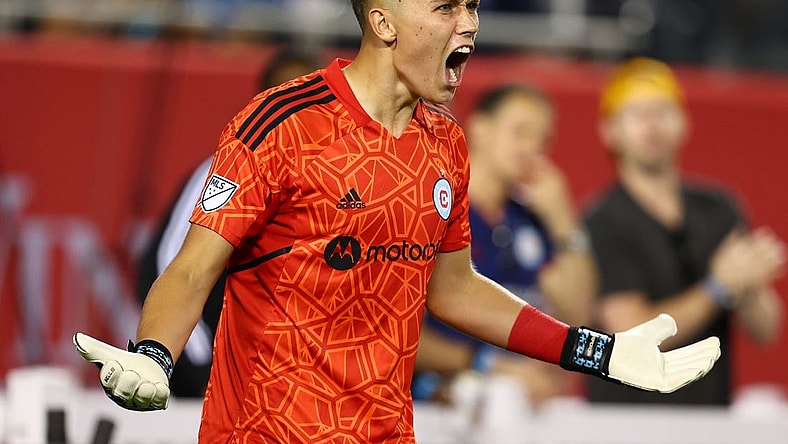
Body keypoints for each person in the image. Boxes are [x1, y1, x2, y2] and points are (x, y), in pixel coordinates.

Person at [74, 3, 722, 443]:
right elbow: (190, 268)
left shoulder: (445, 143)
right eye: (445, 6)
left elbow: (455, 289)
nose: (468, 23)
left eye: (471, 4)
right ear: (383, 22)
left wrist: (597, 351)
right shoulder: (280, 124)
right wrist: (155, 354)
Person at [583, 57, 785, 405]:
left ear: (684, 123)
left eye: (662, 110)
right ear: (610, 130)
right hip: (627, 419)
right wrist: (718, 288)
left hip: (709, 416)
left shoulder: (719, 207)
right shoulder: (601, 220)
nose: (652, 124)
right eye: (637, 113)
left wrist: (748, 286)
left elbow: (765, 329)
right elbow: (629, 333)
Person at [135, 47, 321, 398]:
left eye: (311, 99)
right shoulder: (226, 172)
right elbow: (169, 269)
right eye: (288, 99)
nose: (301, 114)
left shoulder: (336, 183)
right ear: (263, 103)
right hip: (216, 390)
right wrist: (201, 374)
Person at [413, 84, 597, 408]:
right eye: (521, 132)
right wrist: (488, 364)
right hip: (432, 406)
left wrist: (563, 221)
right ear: (480, 128)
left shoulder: (531, 222)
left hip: (518, 405)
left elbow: (577, 314)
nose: (532, 148)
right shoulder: (435, 208)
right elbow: (392, 329)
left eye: (542, 139)